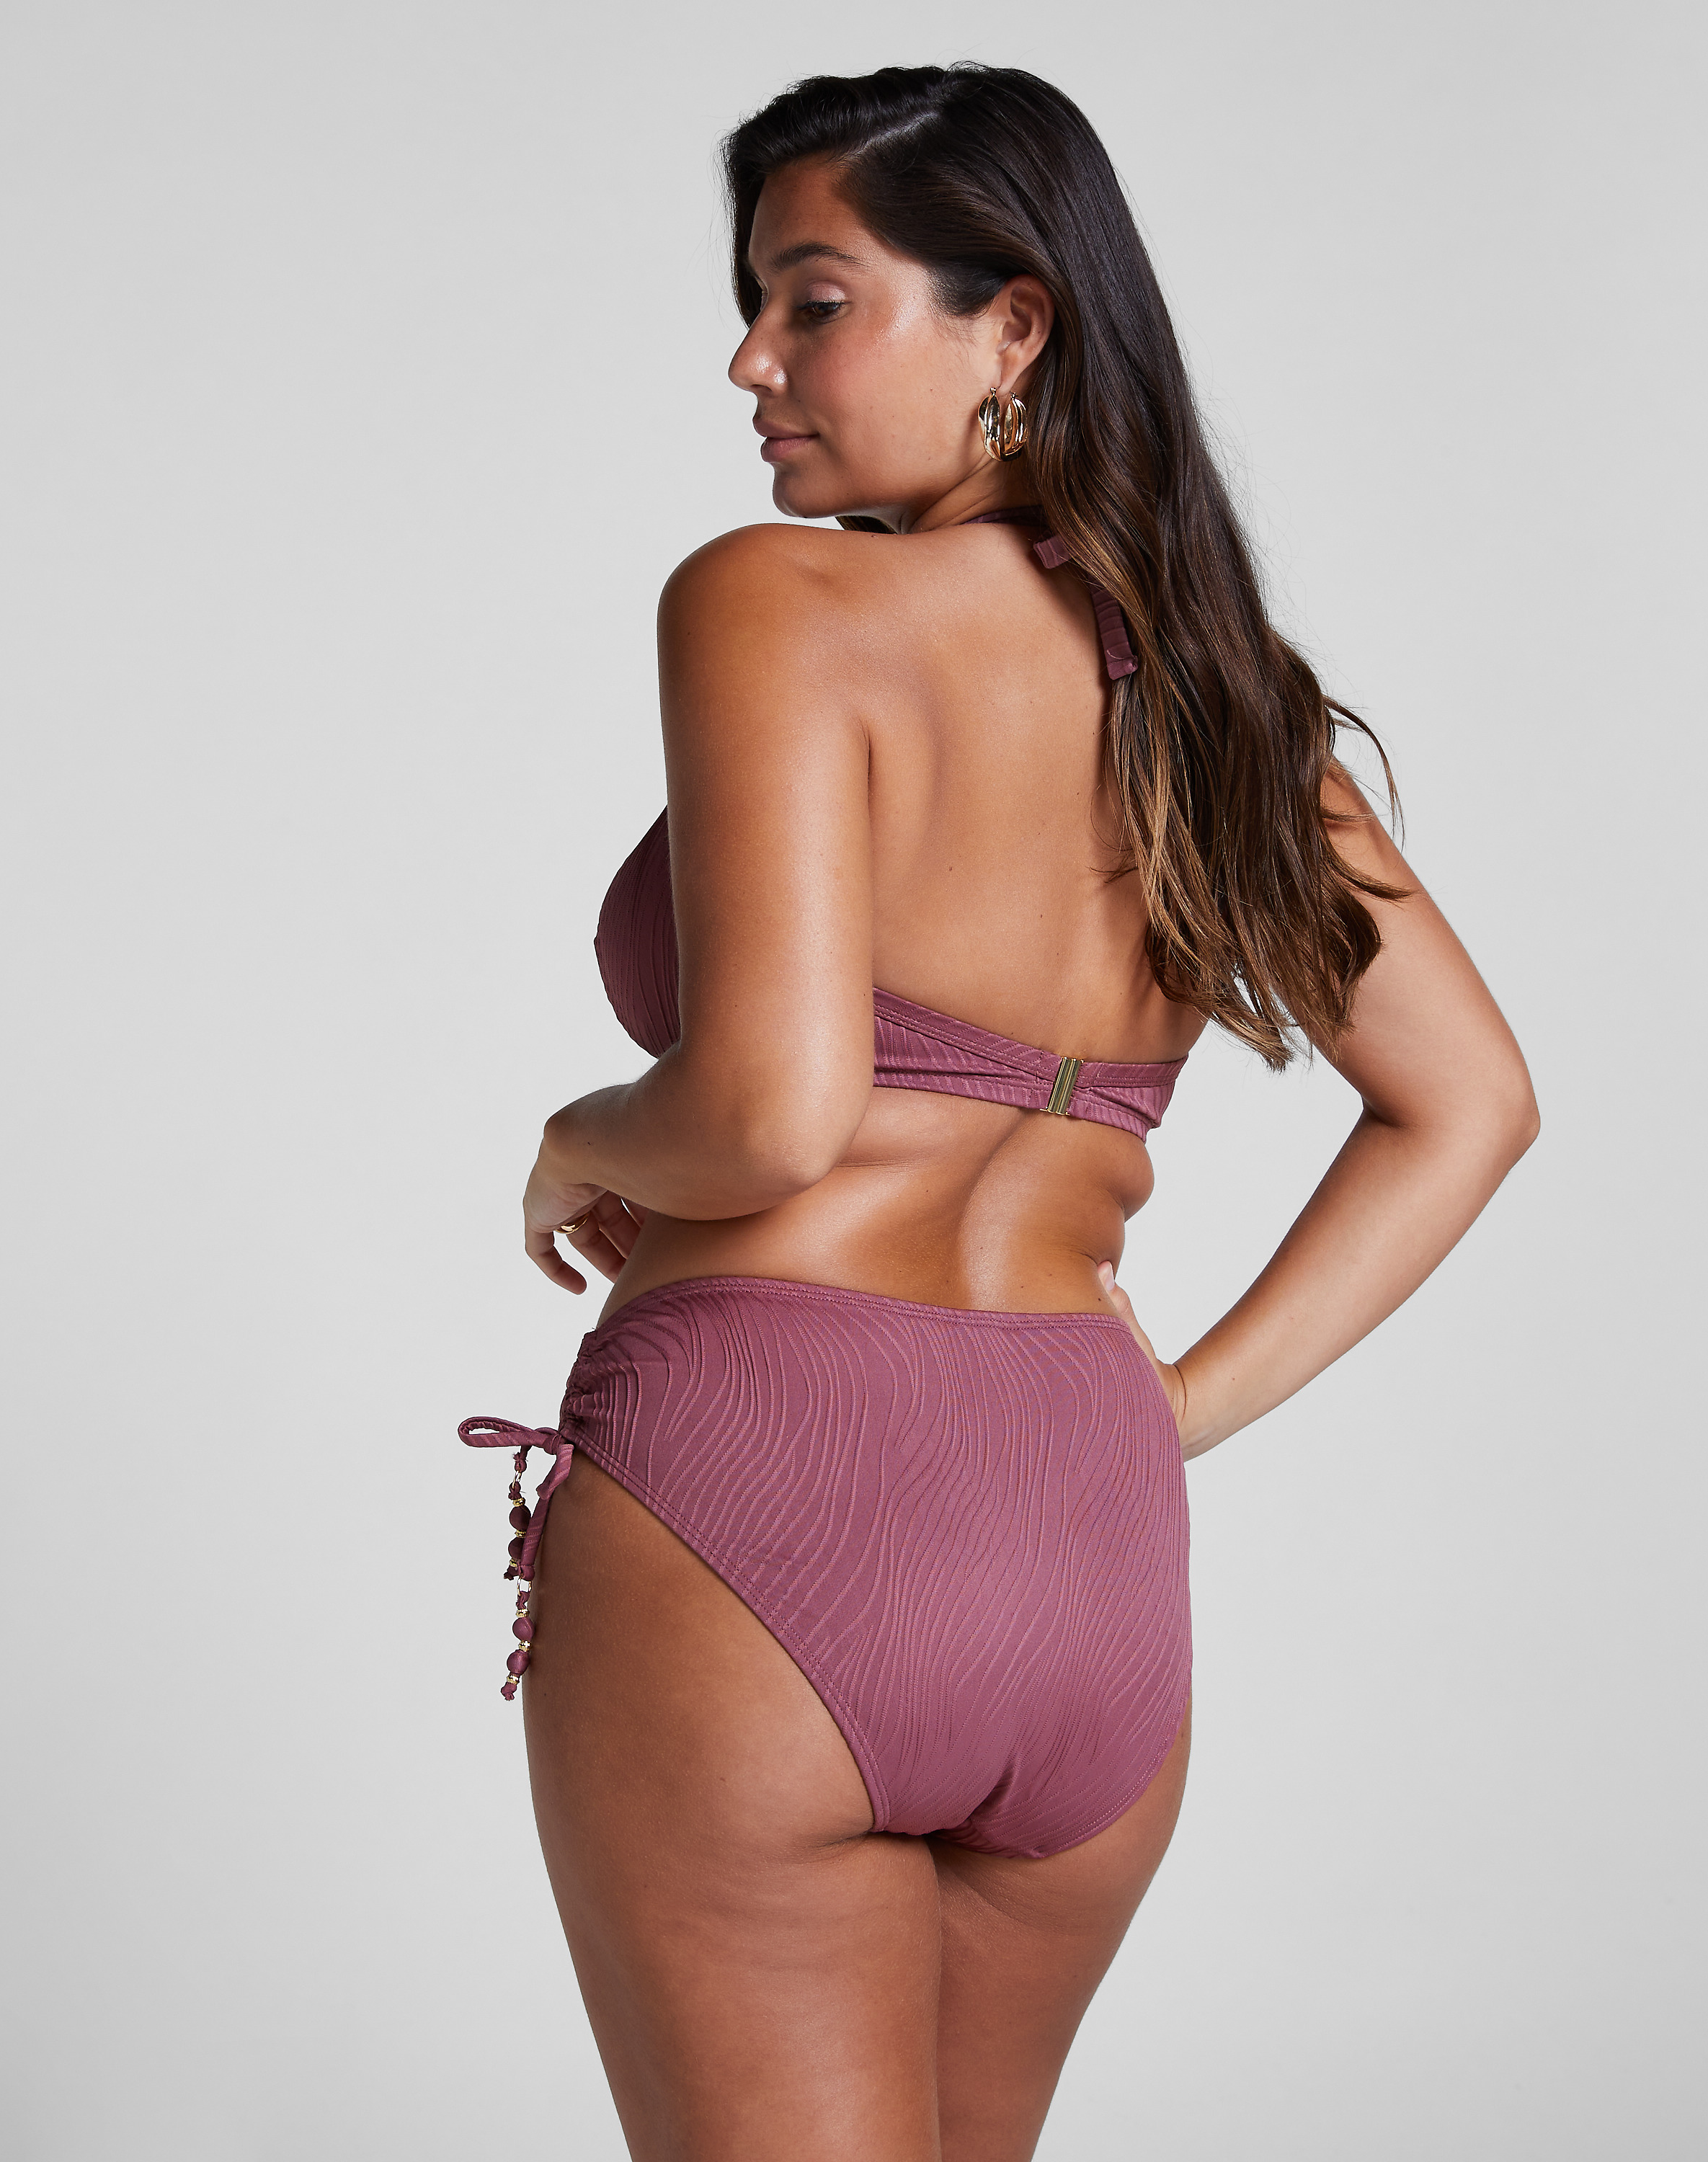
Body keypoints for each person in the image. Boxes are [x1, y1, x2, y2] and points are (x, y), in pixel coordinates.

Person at [458, 63, 1538, 2162]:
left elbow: (768, 1114)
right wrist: (1175, 1410)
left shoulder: (776, 600)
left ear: (1013, 324)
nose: (751, 362)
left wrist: (579, 1138)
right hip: (1084, 1524)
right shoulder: (1219, 689)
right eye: (752, 305)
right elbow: (1471, 1102)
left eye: (814, 300)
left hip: (767, 1481)